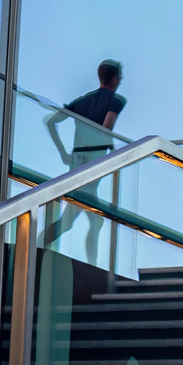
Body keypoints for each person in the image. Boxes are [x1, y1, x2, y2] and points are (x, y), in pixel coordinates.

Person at [42, 60, 126, 265]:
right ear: (115, 79)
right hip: (94, 162)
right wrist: (114, 152)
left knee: (95, 220)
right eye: (120, 78)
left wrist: (63, 153)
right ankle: (34, 246)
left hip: (77, 160)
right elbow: (106, 128)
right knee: (72, 219)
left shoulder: (83, 100)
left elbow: (51, 122)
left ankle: (92, 265)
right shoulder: (116, 100)